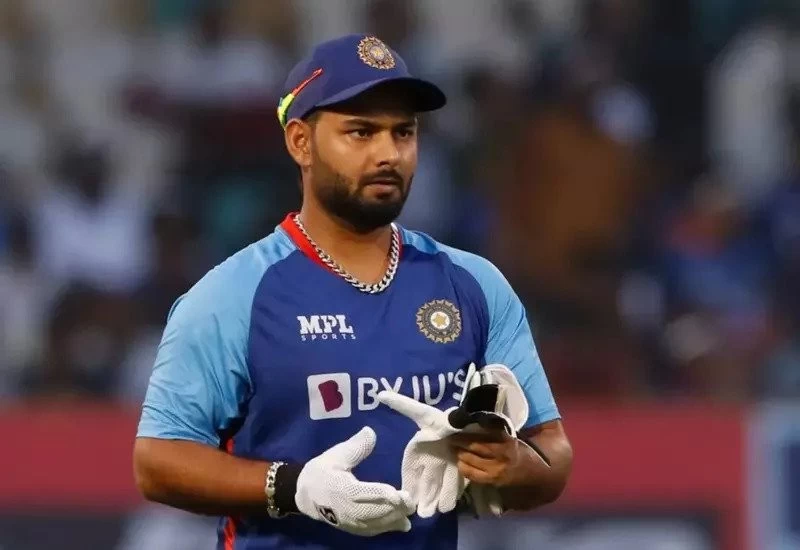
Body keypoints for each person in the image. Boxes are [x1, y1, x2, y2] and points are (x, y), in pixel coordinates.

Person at [133, 34, 572, 550]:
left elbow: (553, 451)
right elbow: (156, 461)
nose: (388, 153)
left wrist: (510, 465)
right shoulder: (233, 295)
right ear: (300, 142)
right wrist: (293, 487)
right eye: (361, 132)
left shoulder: (473, 284)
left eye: (403, 132)